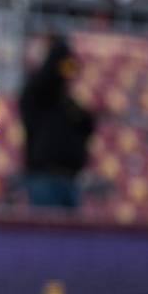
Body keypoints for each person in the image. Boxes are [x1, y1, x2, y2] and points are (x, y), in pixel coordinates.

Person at [18, 36, 95, 209]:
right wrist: (60, 49)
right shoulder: (36, 96)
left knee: (70, 236)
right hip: (45, 178)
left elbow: (88, 125)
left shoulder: (71, 104)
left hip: (71, 179)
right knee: (46, 234)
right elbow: (47, 78)